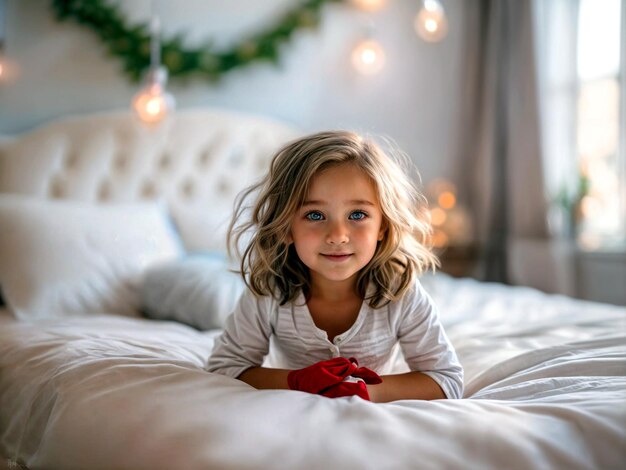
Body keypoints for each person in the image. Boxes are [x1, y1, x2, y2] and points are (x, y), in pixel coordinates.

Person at [206, 130, 463, 402]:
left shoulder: (401, 294)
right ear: (285, 228)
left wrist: (364, 390)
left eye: (357, 214)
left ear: (383, 226)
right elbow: (225, 367)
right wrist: (296, 381)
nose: (338, 235)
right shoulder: (270, 292)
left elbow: (446, 380)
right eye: (315, 215)